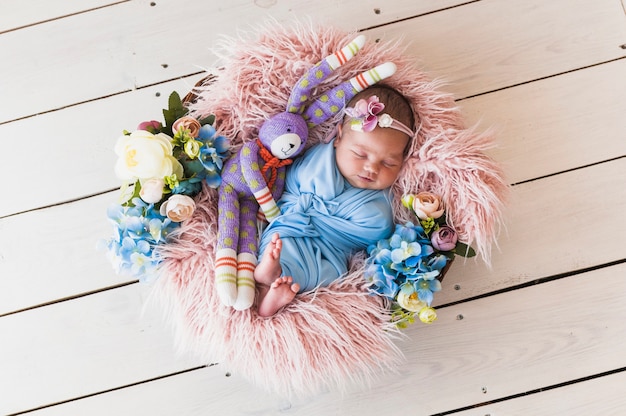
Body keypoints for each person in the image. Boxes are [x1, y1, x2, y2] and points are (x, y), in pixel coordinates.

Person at [253, 84, 416, 317]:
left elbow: (376, 232)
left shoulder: (381, 200)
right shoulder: (319, 160)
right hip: (296, 225)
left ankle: (274, 295)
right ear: (338, 137)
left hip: (333, 249)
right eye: (360, 154)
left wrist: (371, 221)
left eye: (389, 163)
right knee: (278, 243)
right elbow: (294, 182)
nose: (371, 168)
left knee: (332, 274)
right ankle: (268, 272)